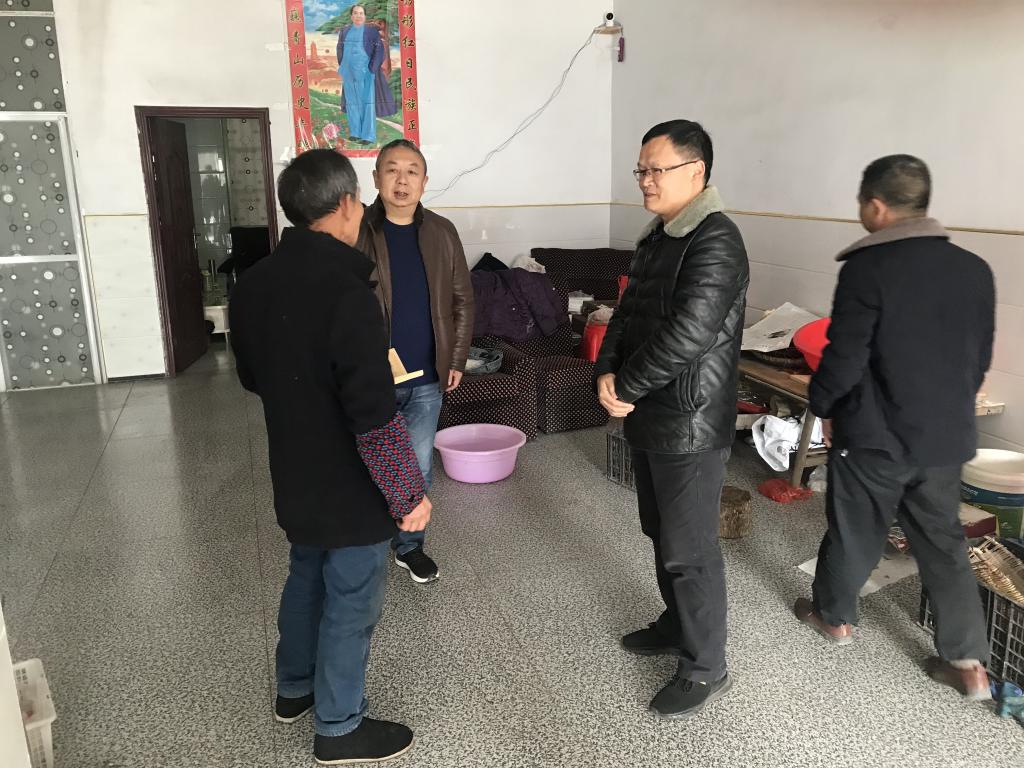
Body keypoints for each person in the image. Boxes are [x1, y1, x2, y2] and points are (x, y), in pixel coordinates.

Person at [229, 149, 430, 765]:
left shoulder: (253, 283)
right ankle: (340, 727)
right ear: (347, 204)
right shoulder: (348, 291)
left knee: (305, 574)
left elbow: (251, 377)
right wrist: (409, 494)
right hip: (350, 482)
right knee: (351, 597)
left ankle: (294, 689)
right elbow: (373, 415)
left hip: (294, 466)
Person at [794, 155, 997, 700]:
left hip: (874, 437)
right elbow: (979, 358)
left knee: (856, 529)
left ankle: (834, 618)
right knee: (943, 543)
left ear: (877, 206)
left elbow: (844, 358)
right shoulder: (974, 268)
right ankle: (968, 664)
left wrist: (822, 405)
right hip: (944, 438)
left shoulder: (867, 268)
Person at [595, 120, 749, 719]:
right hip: (649, 410)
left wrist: (626, 386)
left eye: (656, 170)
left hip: (689, 418)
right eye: (641, 170)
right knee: (660, 530)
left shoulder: (717, 240)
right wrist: (607, 371)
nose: (645, 181)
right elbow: (626, 314)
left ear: (697, 172)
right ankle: (676, 623)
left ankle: (707, 665)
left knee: (690, 548)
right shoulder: (658, 236)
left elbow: (690, 334)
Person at [357, 138, 475, 584]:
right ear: (376, 179)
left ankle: (410, 547)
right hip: (370, 377)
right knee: (366, 465)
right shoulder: (358, 232)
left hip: (427, 376)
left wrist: (457, 358)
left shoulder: (442, 232)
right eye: (392, 169)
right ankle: (367, 544)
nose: (402, 180)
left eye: (412, 171)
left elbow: (463, 300)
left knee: (418, 467)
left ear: (425, 181)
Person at [337, 4, 396, 146]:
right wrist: (342, 65)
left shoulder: (371, 31)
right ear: (351, 16)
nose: (358, 16)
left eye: (361, 13)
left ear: (364, 16)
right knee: (352, 103)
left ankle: (368, 135)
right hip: (348, 72)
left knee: (367, 103)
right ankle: (355, 133)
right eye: (355, 13)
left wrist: (372, 69)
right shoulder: (345, 31)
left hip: (366, 72)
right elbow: (340, 48)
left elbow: (379, 51)